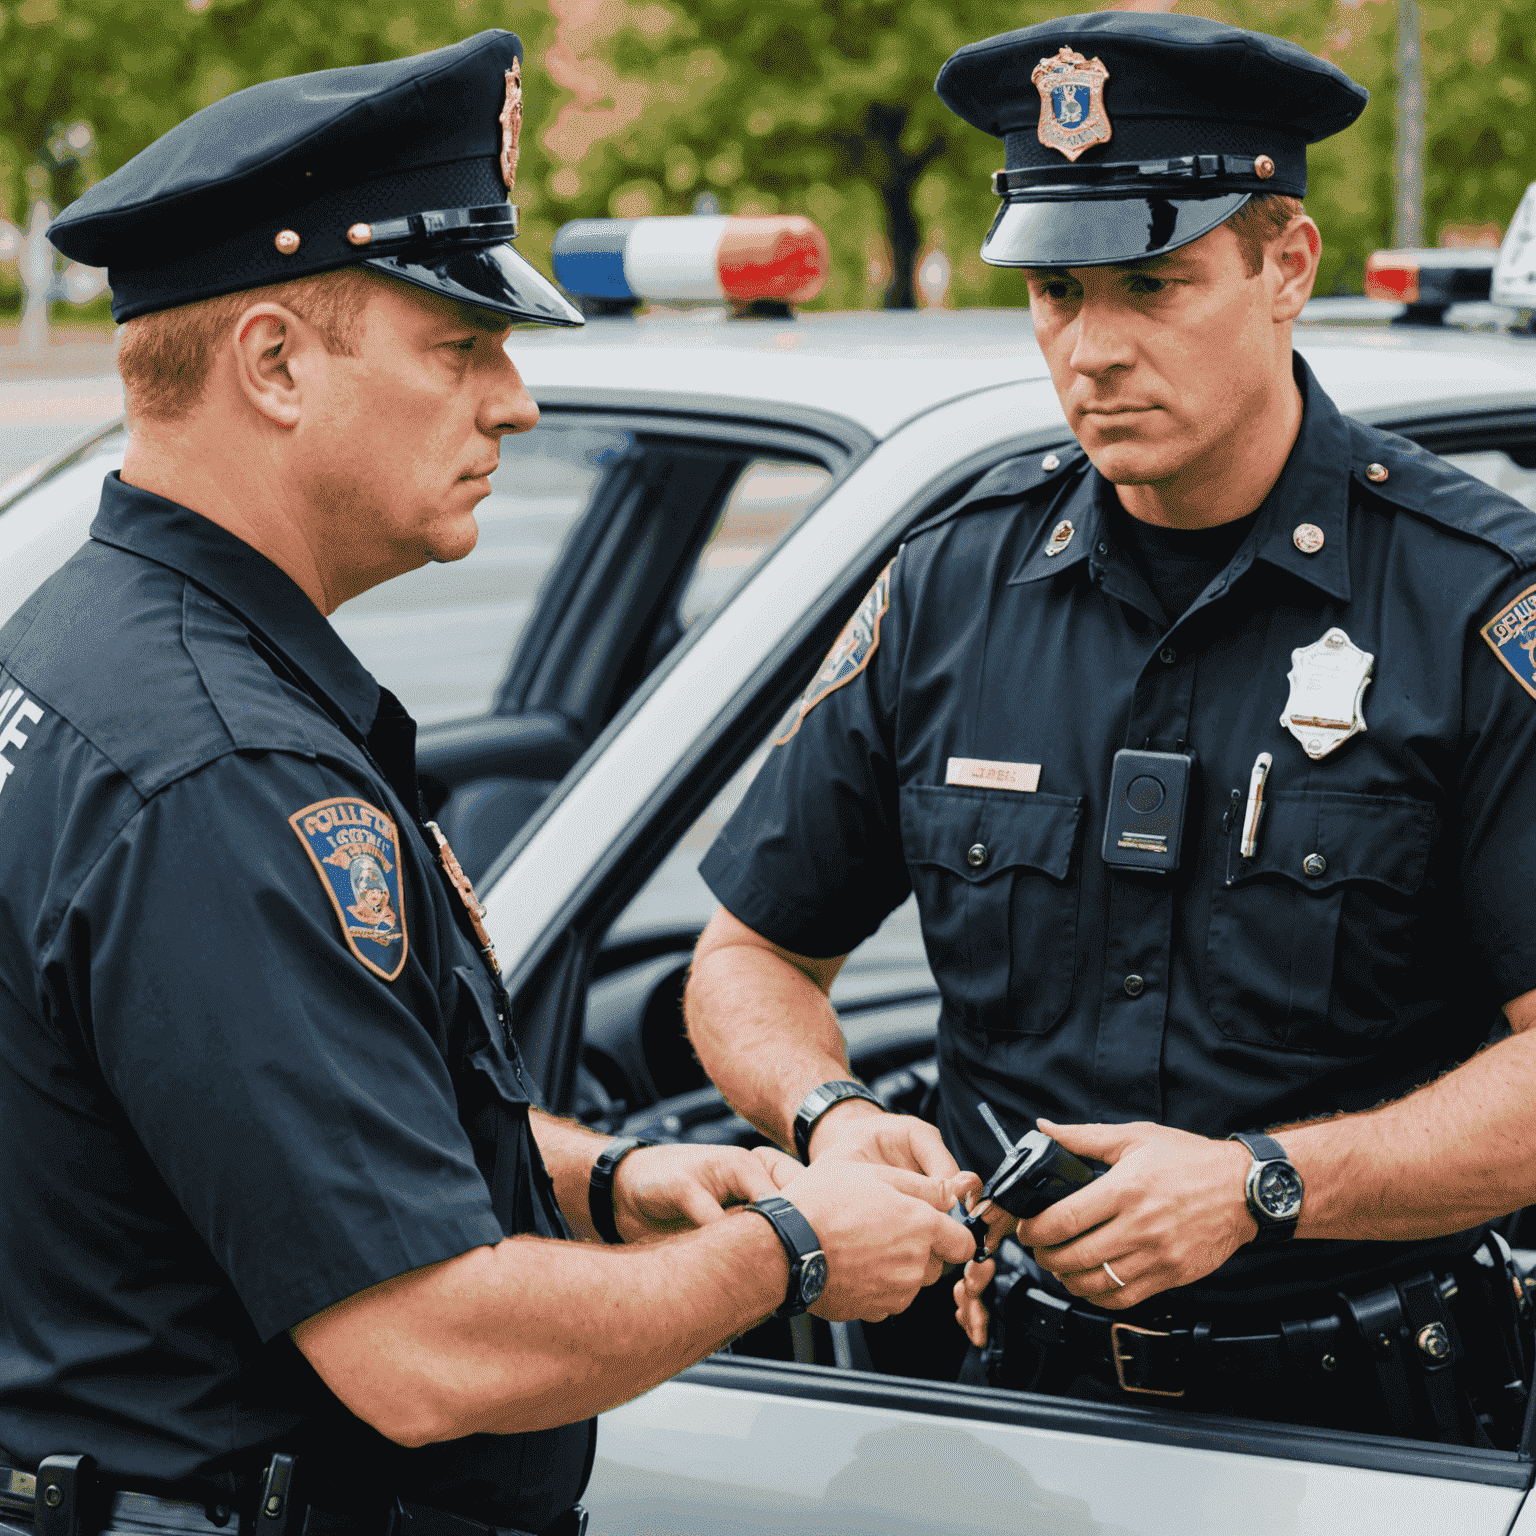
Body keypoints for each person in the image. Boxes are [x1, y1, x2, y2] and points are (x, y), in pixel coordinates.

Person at [0, 31, 975, 1536]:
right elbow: (423, 1349)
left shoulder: (86, 645)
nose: (511, 401)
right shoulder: (220, 770)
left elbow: (258, 1143)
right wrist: (789, 1245)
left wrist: (609, 1184)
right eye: (462, 349)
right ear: (272, 364)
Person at [685, 11, 1536, 1447]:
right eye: (1059, 291)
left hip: (1366, 1442)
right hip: (995, 1412)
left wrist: (1264, 1182)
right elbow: (749, 956)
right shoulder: (951, 580)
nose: (1095, 348)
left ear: (1286, 268)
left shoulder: (1472, 611)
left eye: (1154, 281)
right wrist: (828, 1113)